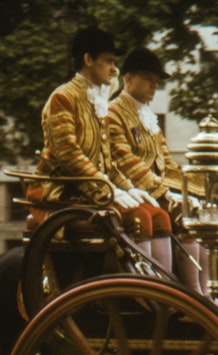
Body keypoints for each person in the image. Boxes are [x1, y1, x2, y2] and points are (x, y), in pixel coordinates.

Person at [26, 27, 173, 274]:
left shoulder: (96, 101)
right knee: (139, 218)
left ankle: (167, 291)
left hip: (90, 190)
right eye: (109, 61)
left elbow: (107, 162)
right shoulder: (62, 98)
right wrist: (108, 191)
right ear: (88, 60)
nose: (115, 69)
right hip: (61, 192)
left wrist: (128, 188)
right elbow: (69, 156)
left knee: (159, 217)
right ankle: (146, 293)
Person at [109, 47, 208, 292]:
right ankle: (183, 294)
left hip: (156, 191)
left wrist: (192, 189)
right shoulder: (113, 113)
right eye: (148, 78)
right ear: (128, 79)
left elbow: (167, 164)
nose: (154, 85)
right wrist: (165, 193)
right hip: (136, 192)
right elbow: (126, 162)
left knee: (204, 215)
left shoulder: (148, 116)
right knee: (183, 216)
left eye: (157, 81)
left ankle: (205, 293)